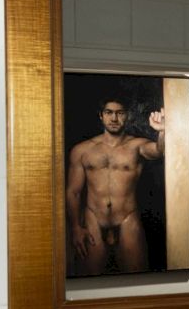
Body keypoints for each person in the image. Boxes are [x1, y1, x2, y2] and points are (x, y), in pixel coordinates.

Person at [66, 97, 165, 275]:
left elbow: (159, 150)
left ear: (127, 116)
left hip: (127, 220)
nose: (114, 118)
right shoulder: (82, 150)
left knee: (137, 281)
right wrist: (75, 227)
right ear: (101, 116)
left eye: (120, 113)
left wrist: (162, 131)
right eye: (109, 113)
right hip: (93, 221)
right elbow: (73, 192)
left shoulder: (137, 146)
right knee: (91, 283)